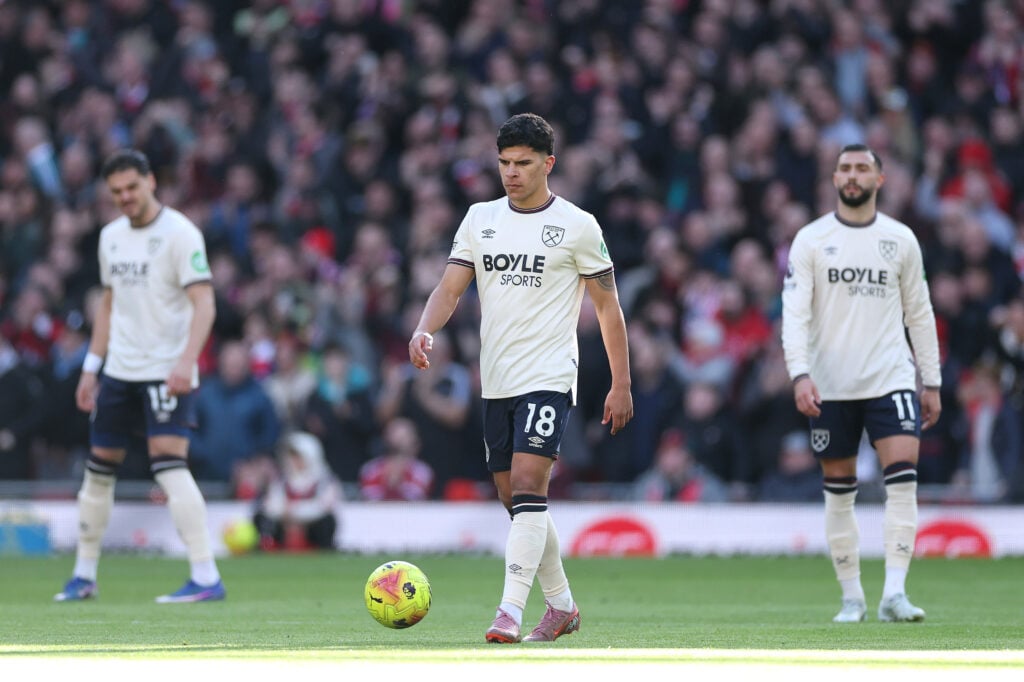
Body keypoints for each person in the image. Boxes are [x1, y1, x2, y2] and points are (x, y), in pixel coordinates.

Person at [408, 113, 633, 643]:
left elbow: (608, 308)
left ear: (548, 164)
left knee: (531, 487)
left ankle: (508, 610)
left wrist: (620, 383)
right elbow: (449, 288)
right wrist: (424, 329)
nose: (511, 173)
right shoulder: (480, 218)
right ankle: (562, 607)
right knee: (518, 501)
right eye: (504, 163)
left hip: (550, 374)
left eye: (523, 164)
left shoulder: (578, 225)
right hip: (498, 380)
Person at [55, 149, 225, 603]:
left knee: (169, 465)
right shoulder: (110, 236)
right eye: (116, 192)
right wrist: (92, 366)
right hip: (119, 372)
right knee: (98, 470)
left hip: (164, 371)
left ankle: (206, 576)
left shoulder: (180, 234)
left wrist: (187, 360)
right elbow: (109, 304)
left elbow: (204, 302)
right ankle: (84, 575)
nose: (125, 197)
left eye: (132, 187)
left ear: (151, 181)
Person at [781, 143, 942, 624]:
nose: (853, 176)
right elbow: (794, 313)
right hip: (830, 384)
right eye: (846, 168)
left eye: (862, 169)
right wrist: (800, 373)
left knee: (902, 482)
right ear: (834, 179)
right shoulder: (811, 239)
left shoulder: (901, 240)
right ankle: (852, 596)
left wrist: (929, 380)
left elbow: (921, 312)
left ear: (880, 179)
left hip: (891, 377)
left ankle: (894, 591)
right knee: (839, 490)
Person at [254, 431, 341, 550]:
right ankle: (268, 547)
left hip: (312, 528)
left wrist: (295, 513)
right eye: (291, 456)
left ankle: (323, 550)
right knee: (260, 518)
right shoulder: (282, 480)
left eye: (297, 456)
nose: (293, 461)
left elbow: (322, 508)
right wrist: (287, 517)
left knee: (327, 522)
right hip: (284, 527)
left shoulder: (325, 480)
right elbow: (270, 506)